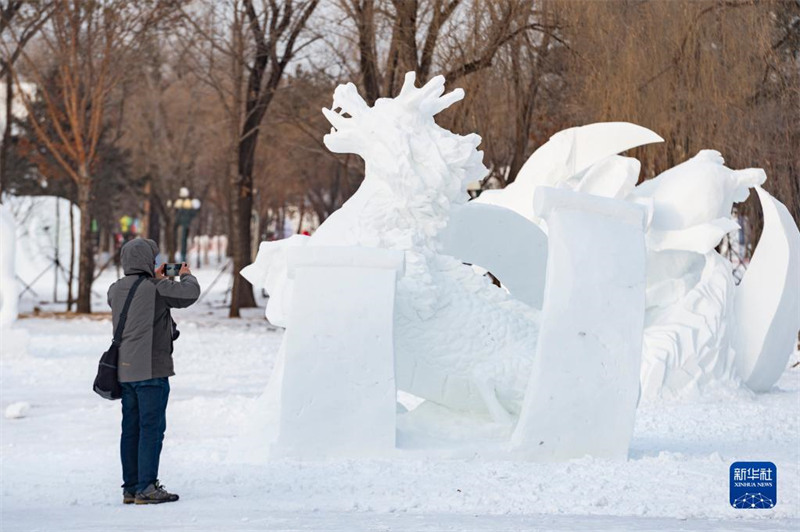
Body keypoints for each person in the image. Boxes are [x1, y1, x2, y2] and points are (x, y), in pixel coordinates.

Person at [107, 238, 200, 505]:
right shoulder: (158, 288)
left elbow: (136, 296)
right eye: (155, 259)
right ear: (149, 261)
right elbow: (189, 294)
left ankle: (131, 487)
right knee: (151, 429)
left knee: (131, 429)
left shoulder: (115, 289)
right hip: (151, 371)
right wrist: (184, 275)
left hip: (125, 372)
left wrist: (153, 277)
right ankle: (147, 487)